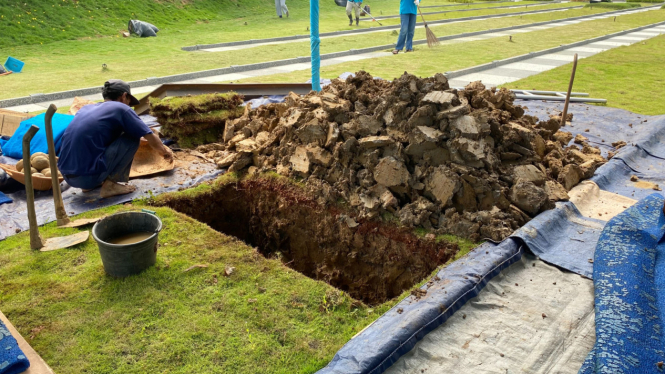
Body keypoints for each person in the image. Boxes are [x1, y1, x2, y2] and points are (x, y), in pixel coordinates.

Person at [57, 79, 173, 198]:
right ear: (124, 96)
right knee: (132, 137)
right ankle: (111, 185)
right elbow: (149, 137)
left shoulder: (86, 109)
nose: (128, 105)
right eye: (129, 101)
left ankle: (88, 187)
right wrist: (165, 153)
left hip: (68, 177)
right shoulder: (121, 108)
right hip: (87, 177)